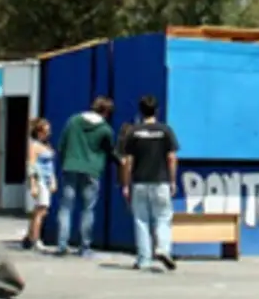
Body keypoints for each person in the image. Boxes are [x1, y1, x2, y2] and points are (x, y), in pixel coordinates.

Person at [116, 95, 179, 272]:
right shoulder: (165, 131)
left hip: (140, 182)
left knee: (141, 220)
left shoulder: (134, 132)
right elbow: (172, 158)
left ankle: (144, 259)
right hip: (161, 181)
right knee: (163, 217)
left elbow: (128, 161)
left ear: (140, 111)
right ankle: (163, 248)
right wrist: (173, 181)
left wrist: (126, 184)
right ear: (157, 110)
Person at [54, 97, 115, 258]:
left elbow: (61, 145)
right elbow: (110, 151)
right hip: (92, 170)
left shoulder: (73, 121)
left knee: (66, 207)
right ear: (106, 112)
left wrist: (64, 163)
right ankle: (84, 246)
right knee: (88, 209)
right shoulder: (105, 129)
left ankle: (62, 245)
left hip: (70, 166)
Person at [19, 117, 57, 251]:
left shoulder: (47, 146)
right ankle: (35, 239)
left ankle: (29, 238)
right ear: (38, 132)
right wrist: (33, 184)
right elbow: (31, 166)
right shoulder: (34, 146)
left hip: (46, 180)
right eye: (46, 131)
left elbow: (50, 165)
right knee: (41, 210)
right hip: (39, 179)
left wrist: (53, 180)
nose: (48, 133)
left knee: (40, 210)